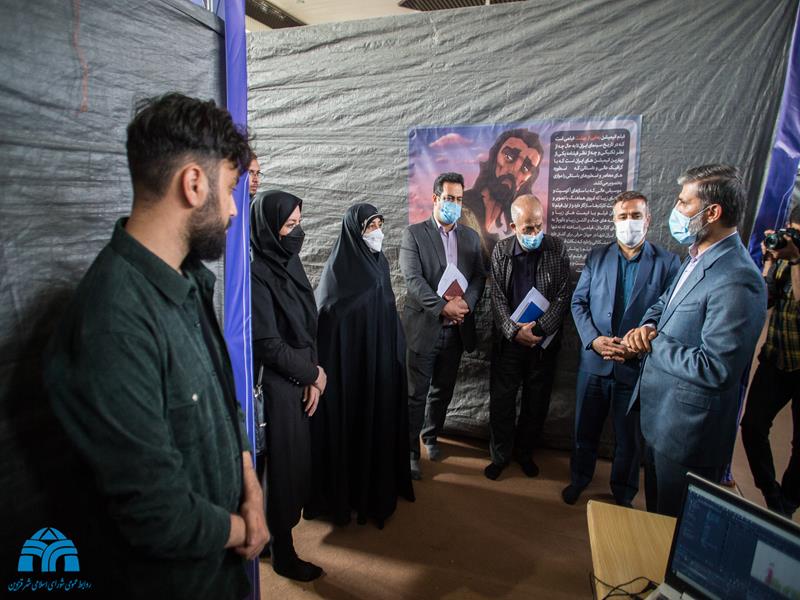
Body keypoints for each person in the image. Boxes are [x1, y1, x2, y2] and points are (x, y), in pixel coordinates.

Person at [44, 93, 268, 599]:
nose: (234, 209)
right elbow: (156, 514)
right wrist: (245, 529)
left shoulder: (189, 281)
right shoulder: (113, 322)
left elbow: (224, 402)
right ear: (194, 183)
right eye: (230, 189)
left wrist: (250, 485)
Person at [624, 164, 767, 517]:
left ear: (712, 212)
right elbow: (664, 305)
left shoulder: (738, 278)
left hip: (688, 435)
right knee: (656, 517)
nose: (676, 209)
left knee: (674, 526)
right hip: (661, 419)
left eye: (683, 203)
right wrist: (647, 326)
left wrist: (652, 342)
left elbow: (717, 368)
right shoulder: (696, 257)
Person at [564, 191, 680, 506]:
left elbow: (668, 312)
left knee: (629, 441)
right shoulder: (597, 257)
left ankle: (624, 494)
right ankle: (579, 479)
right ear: (614, 220)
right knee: (584, 431)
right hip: (595, 362)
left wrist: (636, 346)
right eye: (623, 216)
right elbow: (579, 302)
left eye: (636, 216)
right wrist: (593, 339)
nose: (629, 222)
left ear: (648, 219)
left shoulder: (668, 262)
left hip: (636, 366)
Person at [306, 204, 415, 528]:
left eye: (380, 224)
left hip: (379, 366)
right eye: (370, 227)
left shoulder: (380, 264)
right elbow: (328, 318)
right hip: (349, 374)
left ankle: (374, 492)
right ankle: (345, 497)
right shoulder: (338, 271)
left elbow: (386, 312)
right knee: (350, 430)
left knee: (376, 424)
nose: (377, 232)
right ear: (355, 231)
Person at [250, 190, 326, 581]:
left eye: (299, 223)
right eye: (290, 225)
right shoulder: (255, 273)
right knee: (280, 471)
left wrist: (312, 373)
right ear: (269, 228)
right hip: (277, 387)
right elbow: (267, 343)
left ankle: (273, 539)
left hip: (299, 378)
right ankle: (283, 552)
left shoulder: (289, 262)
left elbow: (307, 323)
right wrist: (312, 374)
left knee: (294, 467)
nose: (297, 233)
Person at [399, 172, 486, 479]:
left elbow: (479, 277)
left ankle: (431, 436)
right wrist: (443, 306)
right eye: (449, 198)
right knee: (415, 395)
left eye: (459, 199)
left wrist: (466, 304)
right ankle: (411, 452)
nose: (455, 205)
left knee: (443, 390)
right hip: (424, 329)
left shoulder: (470, 237)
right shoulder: (414, 234)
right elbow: (413, 280)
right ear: (435, 198)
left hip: (456, 330)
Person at [485, 194, 571, 481]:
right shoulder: (501, 251)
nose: (535, 233)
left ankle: (524, 454)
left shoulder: (557, 248)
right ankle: (500, 456)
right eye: (528, 228)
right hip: (509, 343)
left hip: (542, 343)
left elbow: (563, 296)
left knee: (536, 403)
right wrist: (513, 331)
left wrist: (539, 329)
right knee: (502, 402)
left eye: (538, 225)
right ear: (513, 226)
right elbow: (497, 297)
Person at [741, 205, 800, 517]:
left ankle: (787, 503)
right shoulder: (783, 260)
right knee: (752, 426)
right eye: (792, 233)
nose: (792, 240)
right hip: (777, 358)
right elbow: (762, 302)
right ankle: (772, 494)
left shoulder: (794, 260)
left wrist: (796, 260)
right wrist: (768, 263)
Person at [462, 128, 544, 260]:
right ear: (495, 156)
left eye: (525, 168)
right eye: (509, 157)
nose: (513, 170)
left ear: (528, 180)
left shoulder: (517, 224)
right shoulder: (463, 205)